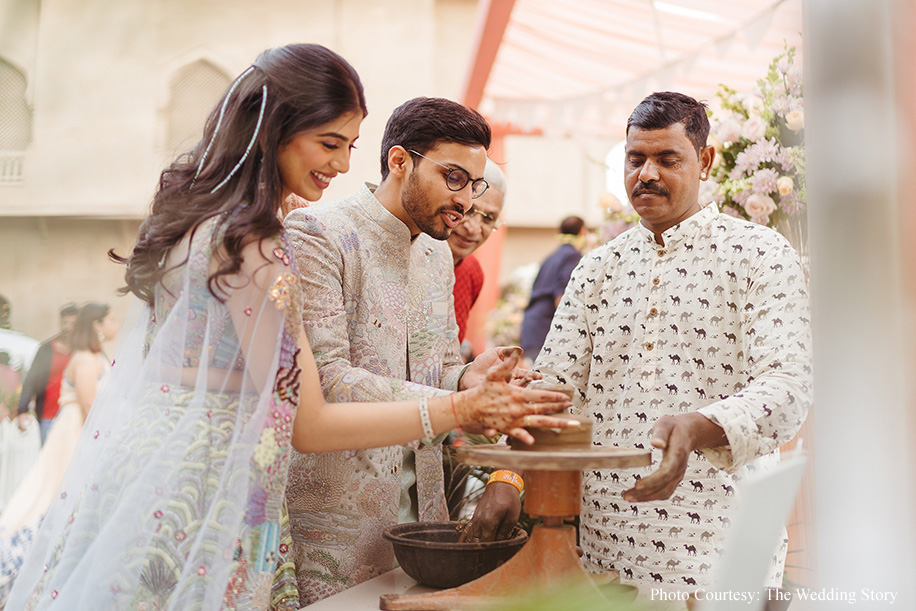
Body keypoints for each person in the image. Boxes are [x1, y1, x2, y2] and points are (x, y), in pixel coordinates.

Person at [5, 45, 570, 610]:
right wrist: (462, 410)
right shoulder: (282, 240)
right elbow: (312, 408)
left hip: (187, 468)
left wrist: (468, 380)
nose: (344, 165)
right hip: (224, 491)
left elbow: (421, 366)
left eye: (349, 146)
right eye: (330, 144)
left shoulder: (218, 224)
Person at [532, 92, 812, 602]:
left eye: (667, 159)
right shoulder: (597, 269)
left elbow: (787, 389)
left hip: (723, 548)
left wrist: (698, 427)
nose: (647, 174)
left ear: (704, 161)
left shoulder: (759, 254)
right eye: (635, 159)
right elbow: (554, 388)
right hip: (606, 552)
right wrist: (508, 475)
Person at [283, 97, 551, 604]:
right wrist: (462, 404)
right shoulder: (319, 234)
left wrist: (470, 377)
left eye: (474, 185)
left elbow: (442, 367)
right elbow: (328, 380)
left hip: (425, 521)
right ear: (399, 161)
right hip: (338, 520)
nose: (467, 202)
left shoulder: (435, 253)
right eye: (453, 178)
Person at [0, 303, 117, 602]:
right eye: (110, 319)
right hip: (74, 429)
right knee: (55, 490)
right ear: (98, 326)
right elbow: (90, 404)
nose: (116, 323)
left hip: (74, 426)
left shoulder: (91, 356)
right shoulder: (86, 360)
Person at [447, 158, 507, 344]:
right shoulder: (409, 256)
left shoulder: (472, 272)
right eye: (469, 211)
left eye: (488, 219)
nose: (474, 228)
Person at [520, 215, 587, 360]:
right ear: (583, 231)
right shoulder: (571, 255)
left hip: (532, 324)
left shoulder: (552, 256)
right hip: (545, 327)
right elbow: (562, 297)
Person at [15, 303, 79, 444]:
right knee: (50, 460)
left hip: (76, 415)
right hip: (48, 415)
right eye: (65, 323)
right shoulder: (45, 350)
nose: (68, 327)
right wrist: (22, 411)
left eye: (72, 323)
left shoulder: (83, 350)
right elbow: (30, 381)